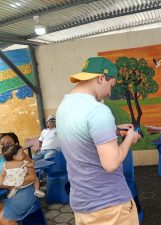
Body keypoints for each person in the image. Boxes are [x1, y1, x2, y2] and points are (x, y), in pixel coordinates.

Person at [56, 56, 141, 225]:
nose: (109, 93)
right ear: (101, 78)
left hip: (82, 203)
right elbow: (111, 163)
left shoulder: (64, 107)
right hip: (109, 206)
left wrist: (113, 130)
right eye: (111, 85)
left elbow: (82, 136)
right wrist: (129, 139)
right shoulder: (98, 111)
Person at [0, 134, 38, 225]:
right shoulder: (1, 158)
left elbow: (32, 177)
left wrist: (9, 185)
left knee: (3, 219)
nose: (5, 146)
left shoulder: (21, 156)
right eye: (2, 144)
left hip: (24, 192)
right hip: (5, 193)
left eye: (9, 143)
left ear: (16, 144)